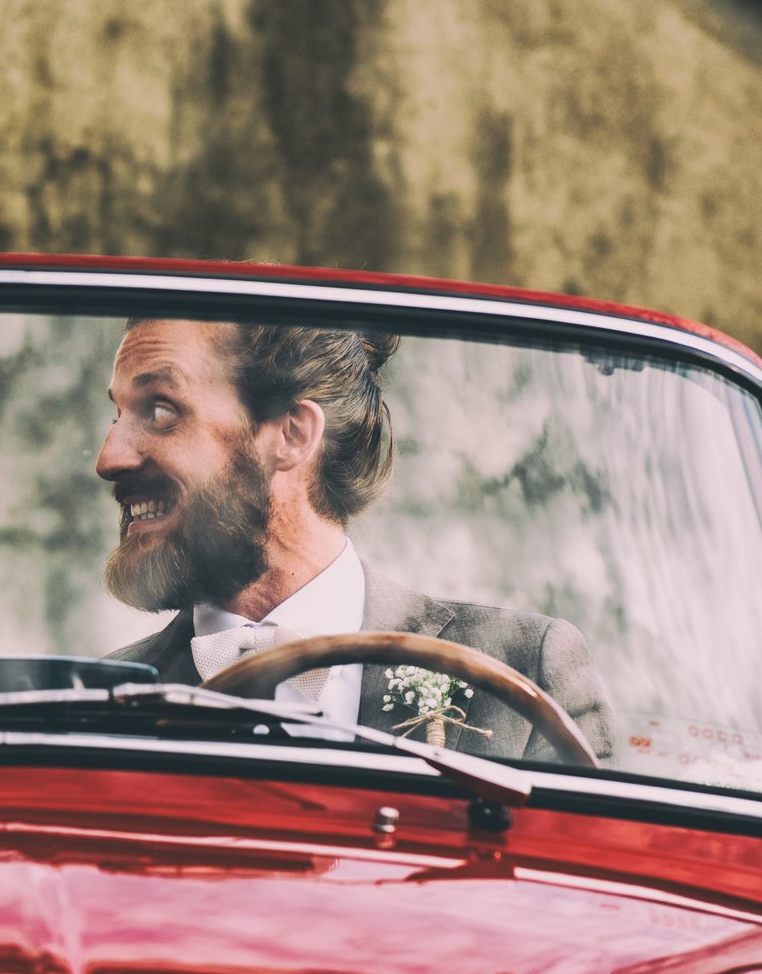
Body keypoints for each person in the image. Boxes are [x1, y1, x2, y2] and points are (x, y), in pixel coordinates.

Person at [97, 317, 612, 761]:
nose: (109, 457)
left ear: (293, 434)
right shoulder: (99, 698)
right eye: (118, 413)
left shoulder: (525, 668)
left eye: (161, 410)